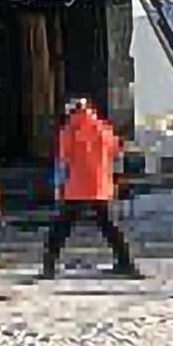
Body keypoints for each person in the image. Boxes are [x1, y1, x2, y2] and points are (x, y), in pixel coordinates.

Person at [40, 98, 140, 279]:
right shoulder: (104, 129)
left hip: (76, 187)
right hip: (100, 186)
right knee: (109, 226)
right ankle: (126, 262)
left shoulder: (68, 131)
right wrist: (116, 177)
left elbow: (63, 162)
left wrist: (57, 185)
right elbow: (117, 151)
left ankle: (49, 265)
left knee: (62, 227)